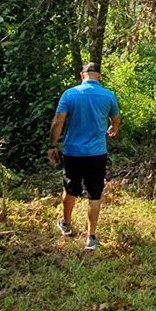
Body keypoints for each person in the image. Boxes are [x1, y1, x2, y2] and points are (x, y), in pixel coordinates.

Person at [46, 62, 120, 249]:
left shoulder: (70, 94)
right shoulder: (108, 96)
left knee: (70, 188)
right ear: (99, 77)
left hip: (73, 153)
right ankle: (91, 238)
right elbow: (116, 119)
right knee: (95, 193)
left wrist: (52, 146)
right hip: (97, 153)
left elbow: (57, 123)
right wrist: (113, 128)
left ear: (82, 75)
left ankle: (66, 224)